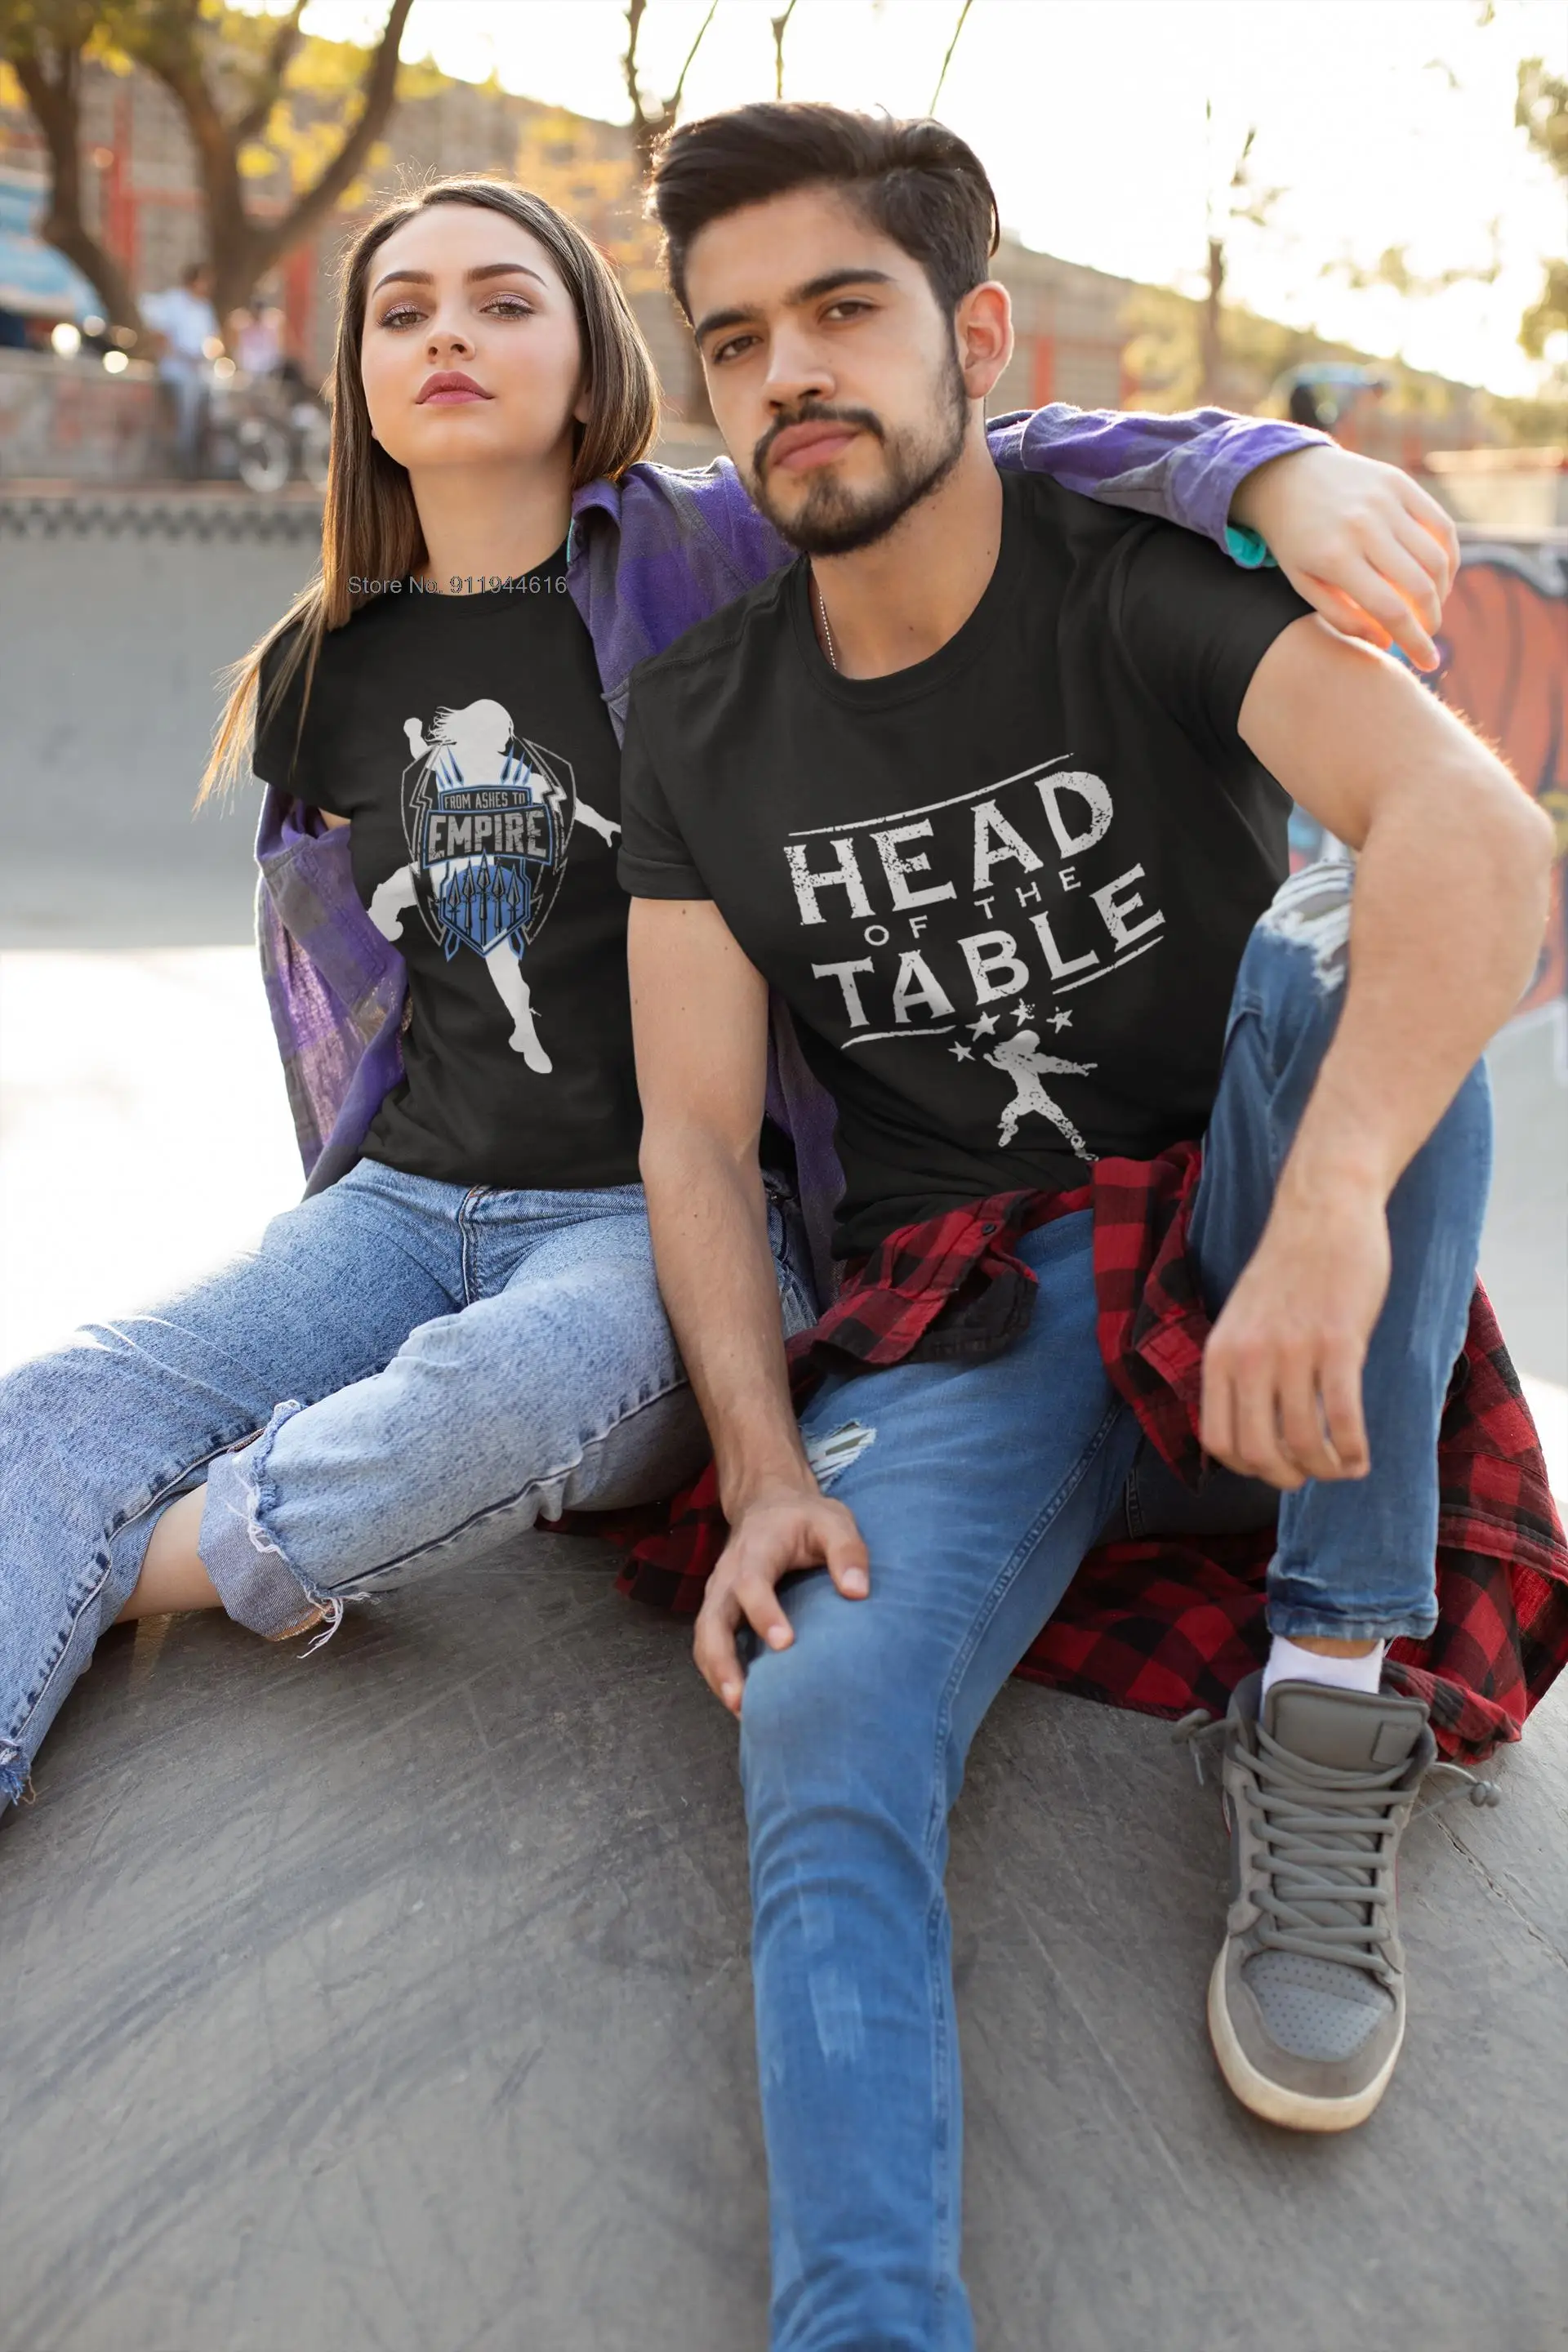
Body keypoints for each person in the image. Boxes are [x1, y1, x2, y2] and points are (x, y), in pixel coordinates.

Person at [0, 182, 1449, 1870]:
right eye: (402, 313)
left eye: (502, 301)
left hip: (648, 1224)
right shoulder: (320, 670)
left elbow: (1005, 455)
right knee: (56, 1408)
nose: (449, 334)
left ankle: (154, 1563)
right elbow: (352, 999)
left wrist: (1265, 467)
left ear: (592, 354)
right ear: (362, 381)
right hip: (399, 1207)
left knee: (496, 1395)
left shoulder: (707, 549)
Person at [617, 105, 1554, 2349]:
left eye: (841, 310)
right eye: (734, 342)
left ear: (976, 338)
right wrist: (759, 1463)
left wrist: (1327, 1208)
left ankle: (1330, 1693)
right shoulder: (701, 720)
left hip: (1261, 1264)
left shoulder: (1127, 581)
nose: (786, 373)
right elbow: (694, 1132)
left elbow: (1478, 829)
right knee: (820, 1714)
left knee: (1345, 939)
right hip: (977, 1317)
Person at [142, 260, 219, 476]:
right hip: (176, 370)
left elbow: (213, 339)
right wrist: (179, 354)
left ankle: (208, 457)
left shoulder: (204, 309)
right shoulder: (172, 302)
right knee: (188, 405)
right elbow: (159, 334)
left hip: (200, 370)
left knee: (216, 402)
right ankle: (184, 459)